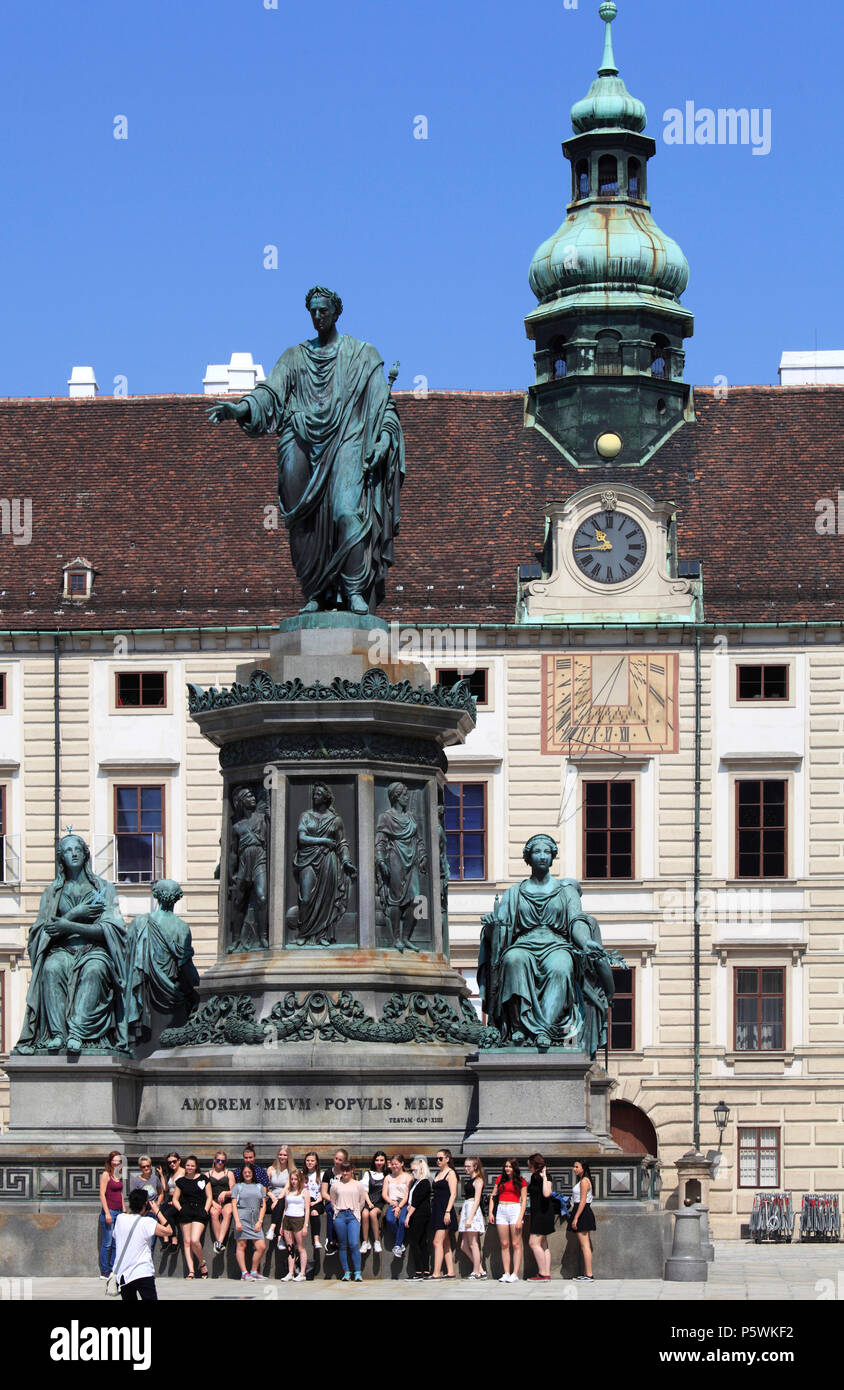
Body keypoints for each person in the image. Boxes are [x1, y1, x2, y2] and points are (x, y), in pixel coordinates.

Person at [206, 285, 405, 617]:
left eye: (323, 310)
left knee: (345, 511)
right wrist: (241, 409)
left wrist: (384, 440)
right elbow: (269, 392)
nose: (317, 316)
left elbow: (383, 407)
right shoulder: (294, 357)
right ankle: (315, 591)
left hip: (348, 440)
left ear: (336, 312)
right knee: (303, 523)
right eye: (312, 310)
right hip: (300, 440)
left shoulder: (362, 355)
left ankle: (354, 589)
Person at [478, 834, 616, 1048]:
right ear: (528, 858)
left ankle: (544, 1030)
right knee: (513, 960)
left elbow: (576, 921)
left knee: (561, 967)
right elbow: (500, 930)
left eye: (547, 852)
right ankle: (519, 1028)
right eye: (537, 852)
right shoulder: (514, 893)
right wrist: (490, 925)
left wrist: (586, 941)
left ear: (552, 858)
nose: (542, 856)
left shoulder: (566, 891)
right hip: (523, 944)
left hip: (556, 945)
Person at [15, 834, 129, 1055]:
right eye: (68, 850)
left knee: (95, 970)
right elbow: (43, 930)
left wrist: (69, 926)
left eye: (78, 849)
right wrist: (76, 914)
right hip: (61, 950)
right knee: (51, 968)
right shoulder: (52, 892)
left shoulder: (104, 889)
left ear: (85, 854)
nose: (74, 853)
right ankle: (58, 1034)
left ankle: (77, 1032)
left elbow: (111, 929)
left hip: (94, 950)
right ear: (61, 858)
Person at [126, 878, 199, 1044]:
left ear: (156, 896)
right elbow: (185, 964)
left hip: (143, 990)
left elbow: (127, 960)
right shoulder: (182, 927)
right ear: (177, 897)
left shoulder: (139, 922)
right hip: (172, 994)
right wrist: (198, 987)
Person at [287, 783, 357, 946]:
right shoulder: (306, 816)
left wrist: (346, 861)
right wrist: (324, 841)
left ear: (325, 798)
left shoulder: (335, 820)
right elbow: (302, 839)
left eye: (318, 794)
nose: (314, 796)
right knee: (306, 898)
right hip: (308, 859)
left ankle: (322, 935)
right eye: (314, 794)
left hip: (328, 860)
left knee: (327, 899)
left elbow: (342, 843)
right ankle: (304, 932)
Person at [375, 782, 427, 952]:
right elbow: (381, 841)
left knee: (416, 899)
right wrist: (381, 860)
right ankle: (396, 938)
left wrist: (423, 856)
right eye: (404, 795)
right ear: (396, 797)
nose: (407, 797)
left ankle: (406, 937)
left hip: (411, 860)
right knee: (396, 899)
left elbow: (418, 840)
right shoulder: (386, 817)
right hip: (395, 857)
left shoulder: (411, 817)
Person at [112, 1188, 173, 1301]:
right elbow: (169, 1231)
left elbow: (116, 1236)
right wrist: (157, 1211)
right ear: (146, 1204)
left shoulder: (120, 1219)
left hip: (123, 1275)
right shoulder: (147, 1222)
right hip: (142, 1272)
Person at [330, 1160, 374, 1282]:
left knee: (354, 1244)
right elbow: (332, 1200)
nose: (345, 1173)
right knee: (343, 1245)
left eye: (347, 1170)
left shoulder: (358, 1185)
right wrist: (337, 1211)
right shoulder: (336, 1185)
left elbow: (362, 1201)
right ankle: (346, 1272)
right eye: (343, 1170)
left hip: (353, 1215)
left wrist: (356, 1212)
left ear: (352, 1171)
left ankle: (358, 1273)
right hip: (340, 1215)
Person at [172, 1155, 211, 1279]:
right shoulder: (181, 1181)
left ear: (196, 1166)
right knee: (187, 1242)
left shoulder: (204, 1178)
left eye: (192, 1165)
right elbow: (175, 1199)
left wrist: (205, 1209)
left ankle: (201, 1263)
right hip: (186, 1211)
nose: (190, 1167)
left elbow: (209, 1197)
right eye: (188, 1165)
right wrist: (180, 1209)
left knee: (195, 1240)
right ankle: (191, 1271)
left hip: (200, 1210)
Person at [489, 1158, 527, 1282]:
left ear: (514, 1168)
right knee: (504, 1244)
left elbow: (524, 1200)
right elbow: (493, 1196)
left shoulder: (521, 1181)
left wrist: (520, 1218)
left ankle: (515, 1273)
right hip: (501, 1209)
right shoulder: (500, 1179)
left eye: (510, 1166)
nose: (507, 1169)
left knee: (516, 1244)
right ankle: (506, 1272)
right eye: (506, 1166)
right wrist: (491, 1212)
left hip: (514, 1209)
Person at [232, 1162, 268, 1281]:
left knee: (261, 1246)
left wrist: (260, 1221)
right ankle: (244, 1273)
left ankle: (253, 1271)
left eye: (249, 1172)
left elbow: (263, 1205)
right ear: (242, 1173)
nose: (247, 1174)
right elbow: (233, 1205)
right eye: (245, 1172)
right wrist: (237, 1221)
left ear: (253, 1173)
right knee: (241, 1245)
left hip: (255, 1218)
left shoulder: (259, 1186)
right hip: (242, 1217)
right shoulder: (238, 1187)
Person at [430, 1148, 458, 1279]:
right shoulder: (438, 1173)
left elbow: (453, 1194)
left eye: (440, 1158)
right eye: (437, 1158)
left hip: (445, 1209)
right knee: (445, 1242)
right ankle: (451, 1271)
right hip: (437, 1208)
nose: (438, 1161)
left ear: (447, 1159)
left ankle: (436, 1273)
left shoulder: (451, 1173)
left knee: (437, 1241)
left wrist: (447, 1211)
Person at [527, 1153, 555, 1281]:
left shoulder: (547, 1177)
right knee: (543, 1243)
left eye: (530, 1165)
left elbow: (547, 1193)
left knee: (533, 1243)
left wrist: (544, 1177)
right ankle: (546, 1273)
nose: (528, 1168)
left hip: (543, 1213)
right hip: (537, 1212)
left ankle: (543, 1273)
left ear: (535, 1165)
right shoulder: (533, 1177)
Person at [458, 1157, 487, 1279]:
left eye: (468, 1166)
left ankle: (476, 1271)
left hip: (472, 1211)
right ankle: (480, 1269)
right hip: (467, 1208)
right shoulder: (470, 1179)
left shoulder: (478, 1180)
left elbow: (477, 1200)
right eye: (465, 1166)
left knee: (473, 1243)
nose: (466, 1169)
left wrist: (470, 1218)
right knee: (464, 1245)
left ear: (475, 1167)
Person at [98, 1151, 125, 1277]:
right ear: (110, 1161)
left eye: (118, 1161)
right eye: (114, 1160)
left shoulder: (118, 1174)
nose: (117, 1163)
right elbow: (102, 1194)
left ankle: (113, 1268)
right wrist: (107, 1213)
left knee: (116, 1242)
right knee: (107, 1243)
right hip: (110, 1212)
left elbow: (120, 1193)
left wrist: (124, 1208)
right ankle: (104, 1271)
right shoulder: (106, 1174)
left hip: (119, 1211)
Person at [281, 1169, 311, 1282]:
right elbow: (285, 1208)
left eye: (295, 1179)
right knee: (290, 1248)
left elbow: (307, 1209)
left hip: (298, 1219)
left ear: (300, 1180)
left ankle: (302, 1273)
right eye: (292, 1179)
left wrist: (305, 1225)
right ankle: (290, 1272)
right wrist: (281, 1225)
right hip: (288, 1219)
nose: (293, 1181)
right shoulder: (288, 1191)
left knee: (300, 1247)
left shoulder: (304, 1192)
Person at [405, 1156, 432, 1280]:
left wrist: (408, 1216)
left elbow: (416, 1202)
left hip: (420, 1215)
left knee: (416, 1242)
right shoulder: (416, 1182)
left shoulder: (424, 1182)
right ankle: (424, 1270)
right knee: (421, 1242)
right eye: (411, 1171)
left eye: (414, 1170)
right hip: (418, 1214)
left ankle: (419, 1270)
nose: (412, 1172)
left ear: (421, 1170)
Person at [570, 1159, 596, 1281]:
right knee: (584, 1245)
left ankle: (589, 1274)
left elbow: (583, 1201)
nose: (574, 1169)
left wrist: (576, 1218)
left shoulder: (584, 1182)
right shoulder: (583, 1181)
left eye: (576, 1167)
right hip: (581, 1211)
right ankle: (587, 1273)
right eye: (574, 1167)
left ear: (583, 1168)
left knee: (585, 1245)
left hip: (582, 1212)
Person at [321, 1147, 350, 1255]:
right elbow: (324, 1193)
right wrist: (334, 1201)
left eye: (340, 1160)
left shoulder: (346, 1174)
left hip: (345, 1202)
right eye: (336, 1158)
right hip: (331, 1202)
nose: (337, 1161)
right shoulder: (328, 1173)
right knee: (331, 1211)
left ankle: (343, 1241)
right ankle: (331, 1240)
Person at [206, 1151, 235, 1253]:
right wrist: (213, 1203)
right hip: (213, 1200)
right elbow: (205, 1193)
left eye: (222, 1161)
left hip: (227, 1200)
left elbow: (234, 1191)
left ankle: (219, 1241)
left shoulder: (229, 1173)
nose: (220, 1163)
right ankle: (220, 1244)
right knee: (214, 1213)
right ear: (214, 1160)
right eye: (218, 1160)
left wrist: (225, 1193)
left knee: (227, 1212)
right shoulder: (208, 1174)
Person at [383, 1153, 411, 1258]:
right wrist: (391, 1202)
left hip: (404, 1203)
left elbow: (408, 1194)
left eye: (397, 1164)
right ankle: (400, 1241)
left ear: (402, 1163)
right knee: (390, 1220)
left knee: (402, 1221)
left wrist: (400, 1206)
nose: (395, 1166)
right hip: (392, 1202)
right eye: (393, 1164)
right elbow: (384, 1194)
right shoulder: (388, 1178)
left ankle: (398, 1245)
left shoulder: (408, 1177)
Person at [361, 1151, 387, 1253]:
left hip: (380, 1202)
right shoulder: (368, 1173)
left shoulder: (387, 1175)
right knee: (365, 1213)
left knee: (373, 1214)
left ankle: (376, 1241)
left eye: (381, 1160)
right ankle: (365, 1241)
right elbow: (364, 1191)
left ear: (385, 1161)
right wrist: (369, 1202)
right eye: (377, 1160)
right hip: (369, 1201)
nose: (379, 1162)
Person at [157, 1152, 185, 1249]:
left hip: (180, 1200)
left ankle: (174, 1238)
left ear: (179, 1161)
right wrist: (161, 1175)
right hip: (170, 1198)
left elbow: (186, 1189)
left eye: (174, 1161)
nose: (172, 1164)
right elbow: (166, 1189)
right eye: (169, 1163)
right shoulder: (172, 1173)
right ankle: (166, 1238)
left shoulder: (184, 1172)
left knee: (167, 1214)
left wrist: (175, 1201)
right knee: (160, 1211)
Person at [266, 1145, 291, 1243]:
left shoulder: (291, 1171)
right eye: (280, 1154)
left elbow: (286, 1189)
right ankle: (280, 1239)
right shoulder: (271, 1169)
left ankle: (272, 1228)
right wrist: (273, 1198)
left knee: (281, 1204)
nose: (282, 1157)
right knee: (278, 1207)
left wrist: (277, 1200)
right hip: (272, 1198)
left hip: (284, 1198)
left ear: (289, 1156)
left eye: (285, 1155)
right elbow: (266, 1188)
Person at [303, 1151, 324, 1250]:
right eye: (308, 1160)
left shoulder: (321, 1175)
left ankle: (316, 1239)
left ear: (316, 1162)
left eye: (312, 1161)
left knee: (314, 1213)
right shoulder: (302, 1175)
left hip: (316, 1201)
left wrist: (315, 1202)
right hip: (304, 1201)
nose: (310, 1163)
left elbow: (323, 1193)